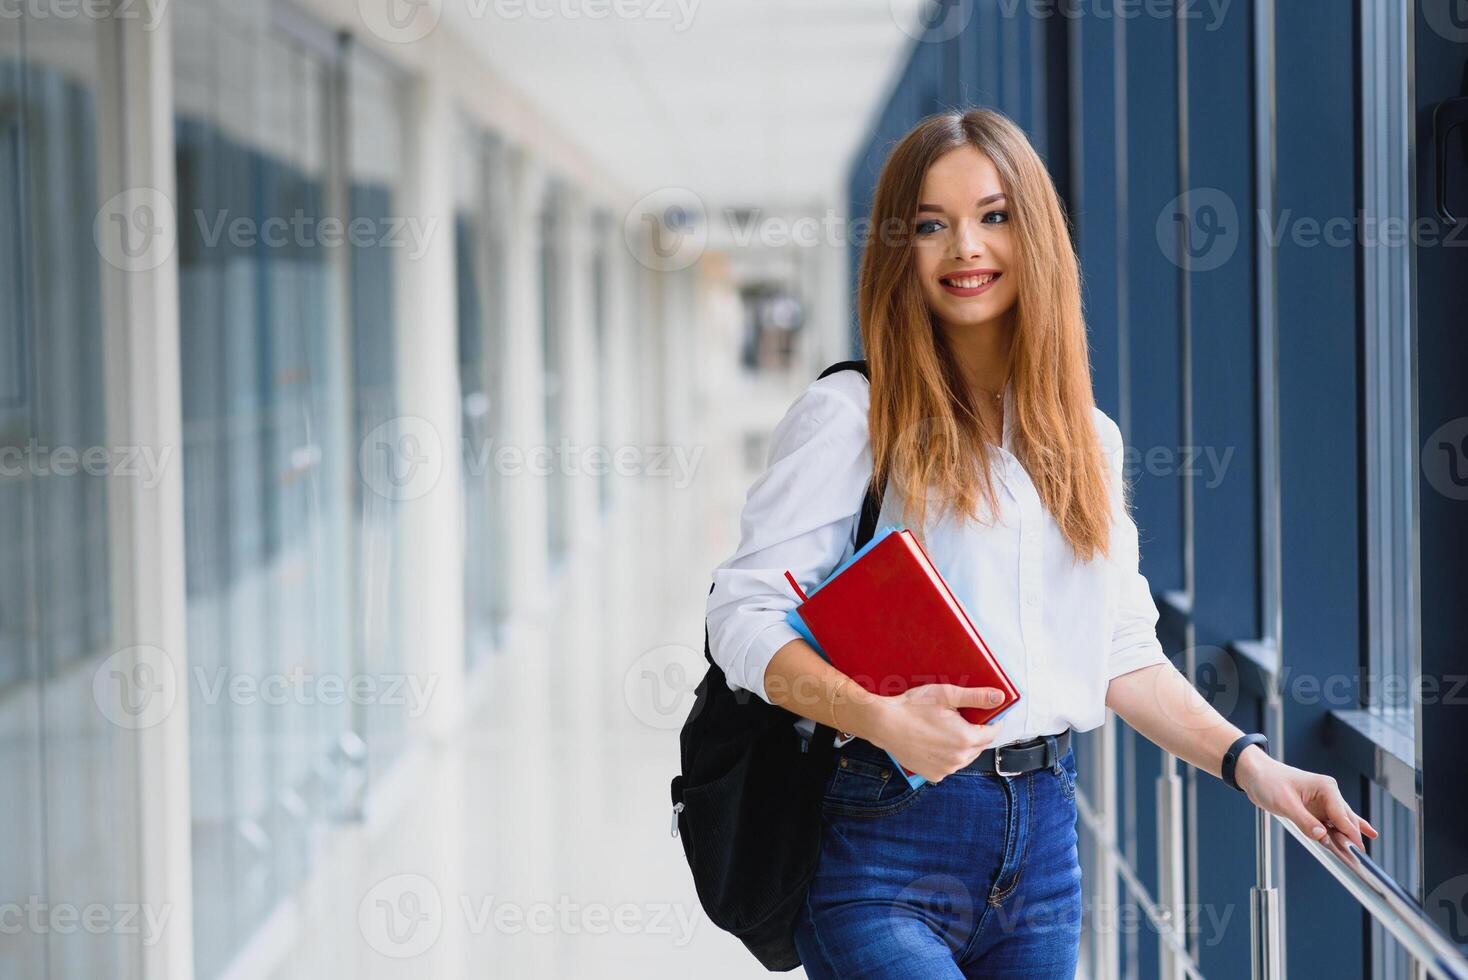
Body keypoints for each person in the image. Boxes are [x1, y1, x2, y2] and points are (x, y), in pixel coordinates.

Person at [703, 108, 1377, 979]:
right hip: (880, 835)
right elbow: (742, 614)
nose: (964, 250)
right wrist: (878, 716)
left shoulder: (1086, 439)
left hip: (1044, 853)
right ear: (898, 250)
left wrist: (1253, 766)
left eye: (993, 216)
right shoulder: (851, 419)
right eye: (930, 226)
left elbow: (1122, 651)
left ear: (1037, 233)